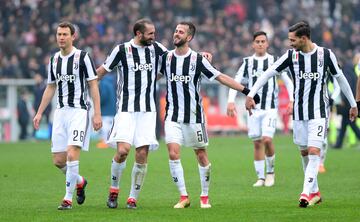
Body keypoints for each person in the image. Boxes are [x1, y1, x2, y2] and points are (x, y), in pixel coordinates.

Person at [245, 21, 357, 208]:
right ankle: (315, 193)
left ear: (304, 38)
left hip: (319, 112)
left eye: (293, 40)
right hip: (299, 113)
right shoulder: (291, 56)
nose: (290, 43)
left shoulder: (325, 55)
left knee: (314, 151)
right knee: (305, 152)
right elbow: (268, 73)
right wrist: (250, 94)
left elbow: (341, 79)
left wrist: (353, 104)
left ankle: (305, 193)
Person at [159, 21, 260, 209]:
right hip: (172, 116)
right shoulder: (166, 58)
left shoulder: (198, 60)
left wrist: (247, 91)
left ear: (189, 37)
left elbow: (221, 77)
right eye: (175, 30)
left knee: (201, 154)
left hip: (194, 117)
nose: (176, 34)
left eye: (181, 32)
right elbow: (153, 77)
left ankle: (204, 196)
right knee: (173, 153)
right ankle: (183, 196)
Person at [96, 18, 168, 209]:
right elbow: (101, 71)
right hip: (126, 109)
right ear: (139, 34)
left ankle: (132, 198)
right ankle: (113, 190)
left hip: (147, 111)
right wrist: (87, 85)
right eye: (150, 33)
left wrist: (201, 55)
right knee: (122, 151)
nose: (154, 36)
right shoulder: (121, 50)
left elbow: (176, 58)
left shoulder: (157, 48)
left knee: (142, 153)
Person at [33, 21, 102, 210]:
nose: (61, 37)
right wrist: (39, 113)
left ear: (73, 37)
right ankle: (80, 181)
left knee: (72, 154)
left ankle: (67, 198)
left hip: (79, 112)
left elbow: (93, 84)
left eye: (65, 34)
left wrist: (97, 113)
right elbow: (50, 87)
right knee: (58, 160)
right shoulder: (54, 59)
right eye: (59, 34)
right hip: (61, 113)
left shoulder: (83, 57)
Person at [227, 31, 294, 187]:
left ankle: (270, 173)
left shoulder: (274, 61)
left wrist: (291, 99)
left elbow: (287, 81)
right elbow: (235, 81)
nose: (260, 44)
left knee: (267, 139)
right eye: (257, 41)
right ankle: (260, 177)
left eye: (263, 41)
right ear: (253, 44)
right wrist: (231, 101)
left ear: (267, 43)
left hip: (270, 108)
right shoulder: (247, 62)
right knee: (257, 142)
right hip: (253, 110)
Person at [333, 57, 360, 148]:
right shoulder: (351, 70)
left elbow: (348, 86)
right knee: (344, 124)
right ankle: (338, 144)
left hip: (347, 103)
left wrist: (343, 99)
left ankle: (338, 144)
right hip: (350, 102)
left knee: (351, 124)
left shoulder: (346, 71)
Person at [96, 73, 116, 149]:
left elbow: (103, 96)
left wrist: (98, 104)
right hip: (113, 108)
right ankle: (111, 142)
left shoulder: (103, 83)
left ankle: (105, 142)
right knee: (111, 127)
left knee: (105, 127)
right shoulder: (111, 83)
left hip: (105, 109)